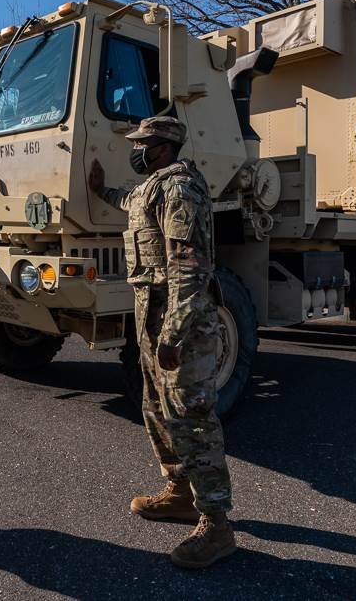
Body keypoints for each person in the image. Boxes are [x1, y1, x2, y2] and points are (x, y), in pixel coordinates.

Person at [87, 116, 235, 569]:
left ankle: (216, 523)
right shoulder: (152, 188)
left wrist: (172, 333)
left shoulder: (180, 189)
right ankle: (179, 490)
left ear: (162, 147)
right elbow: (127, 200)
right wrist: (100, 190)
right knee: (155, 408)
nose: (135, 149)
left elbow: (190, 269)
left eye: (141, 143)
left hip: (181, 324)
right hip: (151, 321)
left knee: (191, 417)